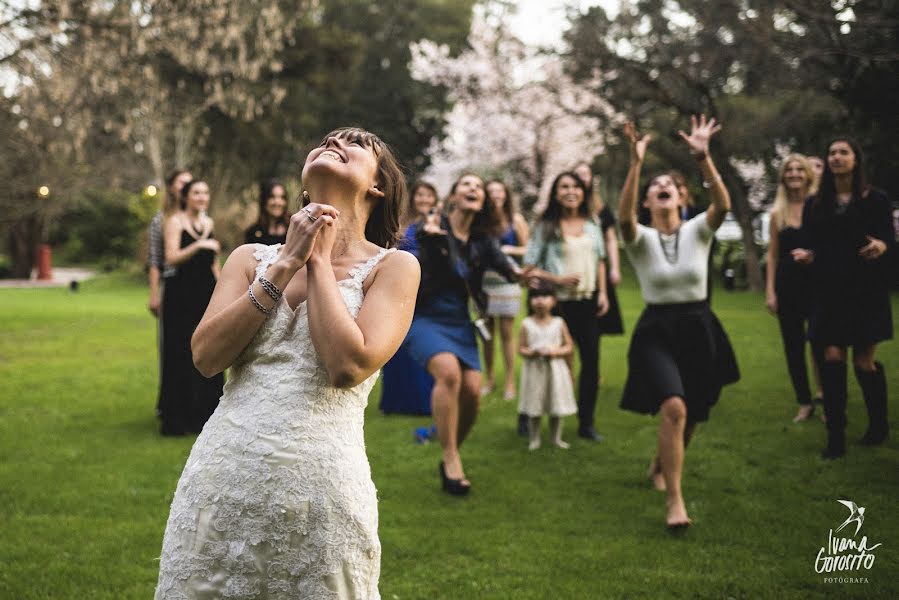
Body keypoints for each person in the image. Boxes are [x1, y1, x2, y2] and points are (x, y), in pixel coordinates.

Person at [155, 127, 420, 597]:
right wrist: (282, 267)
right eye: (327, 139)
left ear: (378, 186)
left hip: (321, 490)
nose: (333, 142)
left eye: (354, 142)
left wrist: (317, 261)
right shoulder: (248, 259)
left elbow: (346, 366)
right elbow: (205, 357)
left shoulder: (394, 268)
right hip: (221, 481)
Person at [617, 116, 740, 529]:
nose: (661, 189)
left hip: (698, 325)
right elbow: (623, 220)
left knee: (694, 411)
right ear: (648, 203)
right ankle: (675, 501)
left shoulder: (698, 231)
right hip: (657, 330)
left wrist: (704, 159)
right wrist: (636, 165)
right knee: (673, 406)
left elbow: (723, 205)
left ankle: (660, 463)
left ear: (681, 198)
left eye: (667, 186)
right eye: (654, 189)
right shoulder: (640, 239)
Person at [403, 173, 522, 495]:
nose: (474, 189)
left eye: (479, 188)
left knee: (472, 390)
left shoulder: (482, 239)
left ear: (483, 201)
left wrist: (533, 276)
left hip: (459, 319)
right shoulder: (426, 229)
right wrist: (426, 241)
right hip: (425, 316)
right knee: (449, 374)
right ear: (453, 196)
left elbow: (508, 267)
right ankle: (450, 456)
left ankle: (451, 446)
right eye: (466, 184)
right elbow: (404, 263)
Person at [793, 137, 893, 459]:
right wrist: (806, 255)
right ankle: (835, 435)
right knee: (832, 358)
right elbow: (810, 242)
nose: (836, 157)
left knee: (863, 363)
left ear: (856, 159)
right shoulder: (816, 203)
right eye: (832, 152)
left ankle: (878, 426)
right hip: (829, 290)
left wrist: (882, 246)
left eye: (843, 152)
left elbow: (889, 240)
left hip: (865, 290)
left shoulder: (876, 199)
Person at [523, 172, 609, 442]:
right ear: (556, 193)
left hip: (587, 302)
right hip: (553, 305)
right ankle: (528, 417)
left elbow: (601, 259)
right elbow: (529, 267)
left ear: (583, 192)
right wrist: (556, 279)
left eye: (575, 186)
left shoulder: (593, 224)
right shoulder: (546, 226)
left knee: (591, 363)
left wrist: (603, 293)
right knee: (540, 359)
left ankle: (586, 422)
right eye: (564, 187)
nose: (570, 191)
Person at [158, 179, 224, 436]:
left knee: (208, 348)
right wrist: (199, 245)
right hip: (180, 296)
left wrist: (222, 290)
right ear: (186, 197)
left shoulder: (209, 224)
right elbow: (171, 257)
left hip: (205, 294)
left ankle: (205, 416)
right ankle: (178, 417)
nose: (202, 197)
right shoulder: (175, 221)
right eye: (196, 192)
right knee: (181, 352)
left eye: (205, 192)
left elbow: (214, 265)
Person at [765, 154, 823, 422]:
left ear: (808, 174)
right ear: (784, 177)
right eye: (790, 170)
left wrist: (813, 255)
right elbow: (773, 255)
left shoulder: (819, 207)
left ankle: (826, 395)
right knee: (793, 346)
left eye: (800, 169)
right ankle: (804, 401)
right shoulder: (777, 213)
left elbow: (830, 247)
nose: (795, 174)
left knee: (821, 341)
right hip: (787, 285)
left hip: (816, 283)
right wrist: (770, 291)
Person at [379, 180, 439, 416]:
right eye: (420, 195)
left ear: (434, 199)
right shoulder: (403, 225)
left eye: (428, 195)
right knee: (397, 343)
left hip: (428, 291)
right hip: (402, 288)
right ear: (413, 199)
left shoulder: (439, 224)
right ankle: (396, 402)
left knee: (422, 345)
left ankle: (424, 402)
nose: (424, 199)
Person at [147, 168, 192, 418]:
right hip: (172, 286)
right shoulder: (160, 219)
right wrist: (154, 294)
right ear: (172, 188)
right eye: (181, 183)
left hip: (194, 289)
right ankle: (168, 404)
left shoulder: (199, 215)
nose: (185, 187)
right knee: (171, 346)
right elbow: (155, 260)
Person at [481, 179, 529, 400]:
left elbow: (528, 248)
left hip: (508, 281)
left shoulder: (515, 220)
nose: (495, 195)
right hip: (484, 283)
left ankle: (510, 380)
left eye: (499, 191)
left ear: (506, 195)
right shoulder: (481, 221)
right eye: (491, 192)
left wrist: (510, 249)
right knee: (487, 334)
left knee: (507, 334)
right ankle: (489, 378)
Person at [518, 286, 577, 450]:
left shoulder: (559, 323)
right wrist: (532, 352)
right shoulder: (526, 324)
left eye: (544, 296)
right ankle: (534, 438)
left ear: (554, 301)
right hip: (535, 370)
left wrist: (555, 351)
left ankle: (556, 438)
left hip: (555, 371)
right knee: (534, 403)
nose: (539, 300)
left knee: (555, 403)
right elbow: (521, 348)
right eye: (535, 297)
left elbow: (569, 346)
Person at [574, 163, 625, 336]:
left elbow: (611, 240)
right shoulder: (568, 211)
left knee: (595, 322)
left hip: (597, 270)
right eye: (578, 174)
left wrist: (615, 268)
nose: (582, 178)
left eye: (585, 174)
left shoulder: (601, 210)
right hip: (573, 268)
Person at [244, 179, 290, 245]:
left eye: (282, 197)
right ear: (264, 200)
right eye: (272, 197)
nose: (277, 202)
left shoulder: (293, 229)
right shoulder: (252, 233)